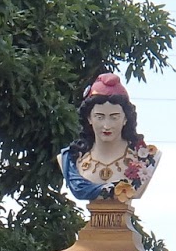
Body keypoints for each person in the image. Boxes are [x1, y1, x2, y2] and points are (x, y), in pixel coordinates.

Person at [59, 73, 161, 202]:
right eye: (99, 117)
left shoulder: (147, 158)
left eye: (114, 117)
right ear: (89, 118)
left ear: (125, 119)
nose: (106, 126)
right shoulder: (72, 159)